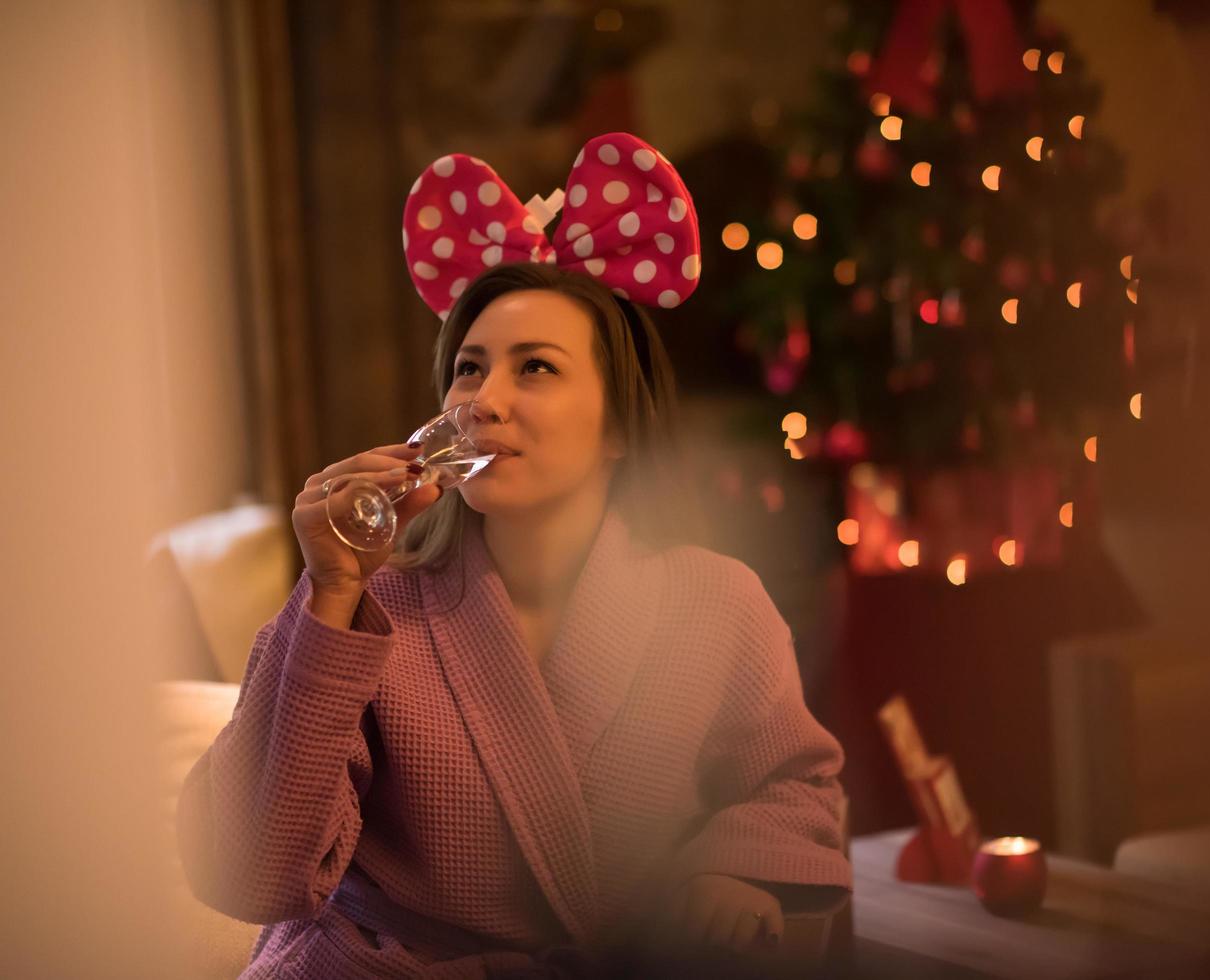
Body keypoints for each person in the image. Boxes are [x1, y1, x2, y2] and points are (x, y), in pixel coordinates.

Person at [175, 134, 852, 979]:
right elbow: (251, 871)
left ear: (616, 426)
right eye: (467, 370)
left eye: (534, 368)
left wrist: (727, 866)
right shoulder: (363, 608)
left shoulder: (715, 602)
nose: (483, 402)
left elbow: (793, 785)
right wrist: (332, 590)